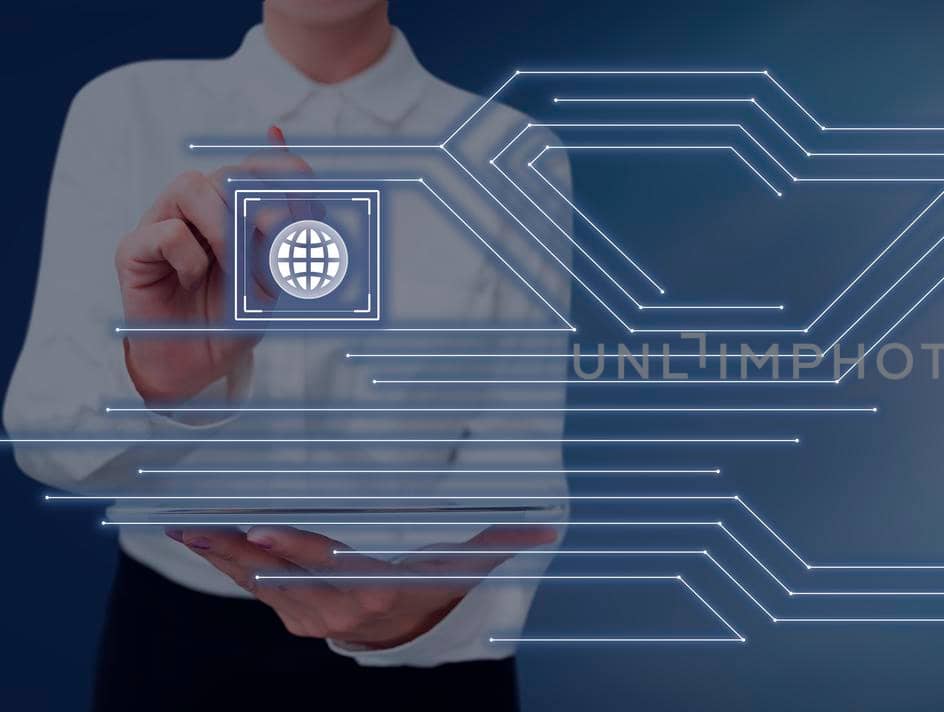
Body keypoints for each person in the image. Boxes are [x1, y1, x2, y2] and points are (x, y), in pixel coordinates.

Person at [4, 1, 573, 708]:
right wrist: (161, 380)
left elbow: (518, 474)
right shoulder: (124, 109)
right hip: (178, 647)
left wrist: (427, 612)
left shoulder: (510, 152)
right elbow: (42, 434)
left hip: (423, 649)